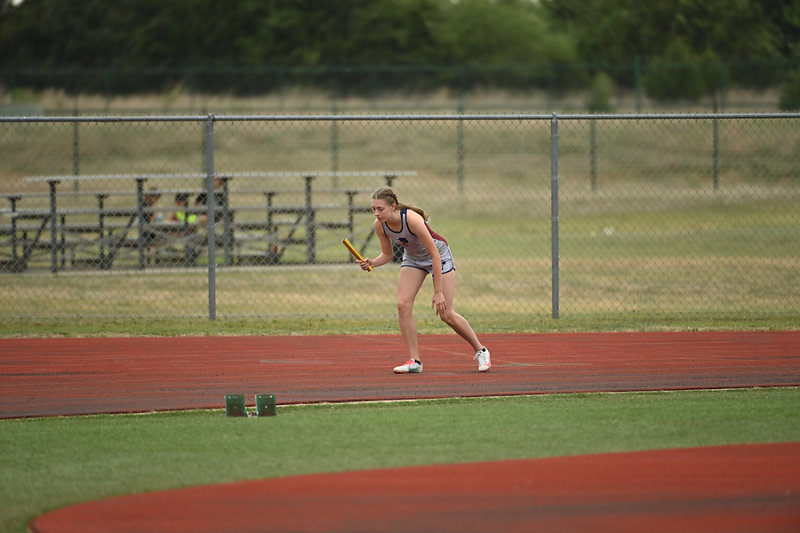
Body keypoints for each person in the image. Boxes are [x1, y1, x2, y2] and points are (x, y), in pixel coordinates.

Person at [357, 187, 491, 374]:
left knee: (446, 314)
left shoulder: (411, 219)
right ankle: (415, 361)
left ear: (393, 206)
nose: (376, 213)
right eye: (373, 209)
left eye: (380, 209)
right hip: (413, 259)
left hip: (438, 256)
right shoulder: (380, 225)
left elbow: (434, 254)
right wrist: (372, 262)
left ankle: (481, 350)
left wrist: (438, 291)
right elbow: (387, 254)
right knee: (402, 305)